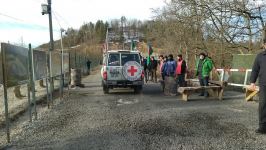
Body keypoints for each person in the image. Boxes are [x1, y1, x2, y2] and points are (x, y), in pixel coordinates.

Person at [250, 40, 266, 134]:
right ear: (264, 45)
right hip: (264, 85)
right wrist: (252, 82)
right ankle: (263, 127)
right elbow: (255, 69)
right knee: (263, 106)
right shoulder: (260, 56)